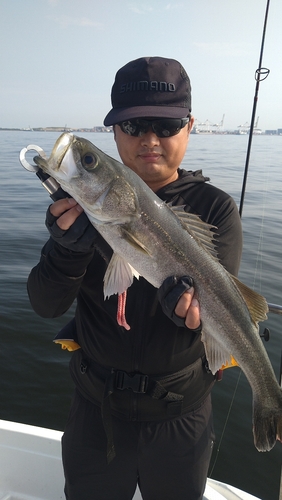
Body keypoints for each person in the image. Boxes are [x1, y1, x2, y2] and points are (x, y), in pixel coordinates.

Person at [27, 56, 242, 500]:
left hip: (181, 419)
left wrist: (192, 320)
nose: (150, 140)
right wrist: (66, 253)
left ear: (190, 125)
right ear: (114, 130)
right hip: (95, 411)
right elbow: (45, 305)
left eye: (166, 126)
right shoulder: (79, 208)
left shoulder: (216, 209)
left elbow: (221, 317)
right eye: (134, 124)